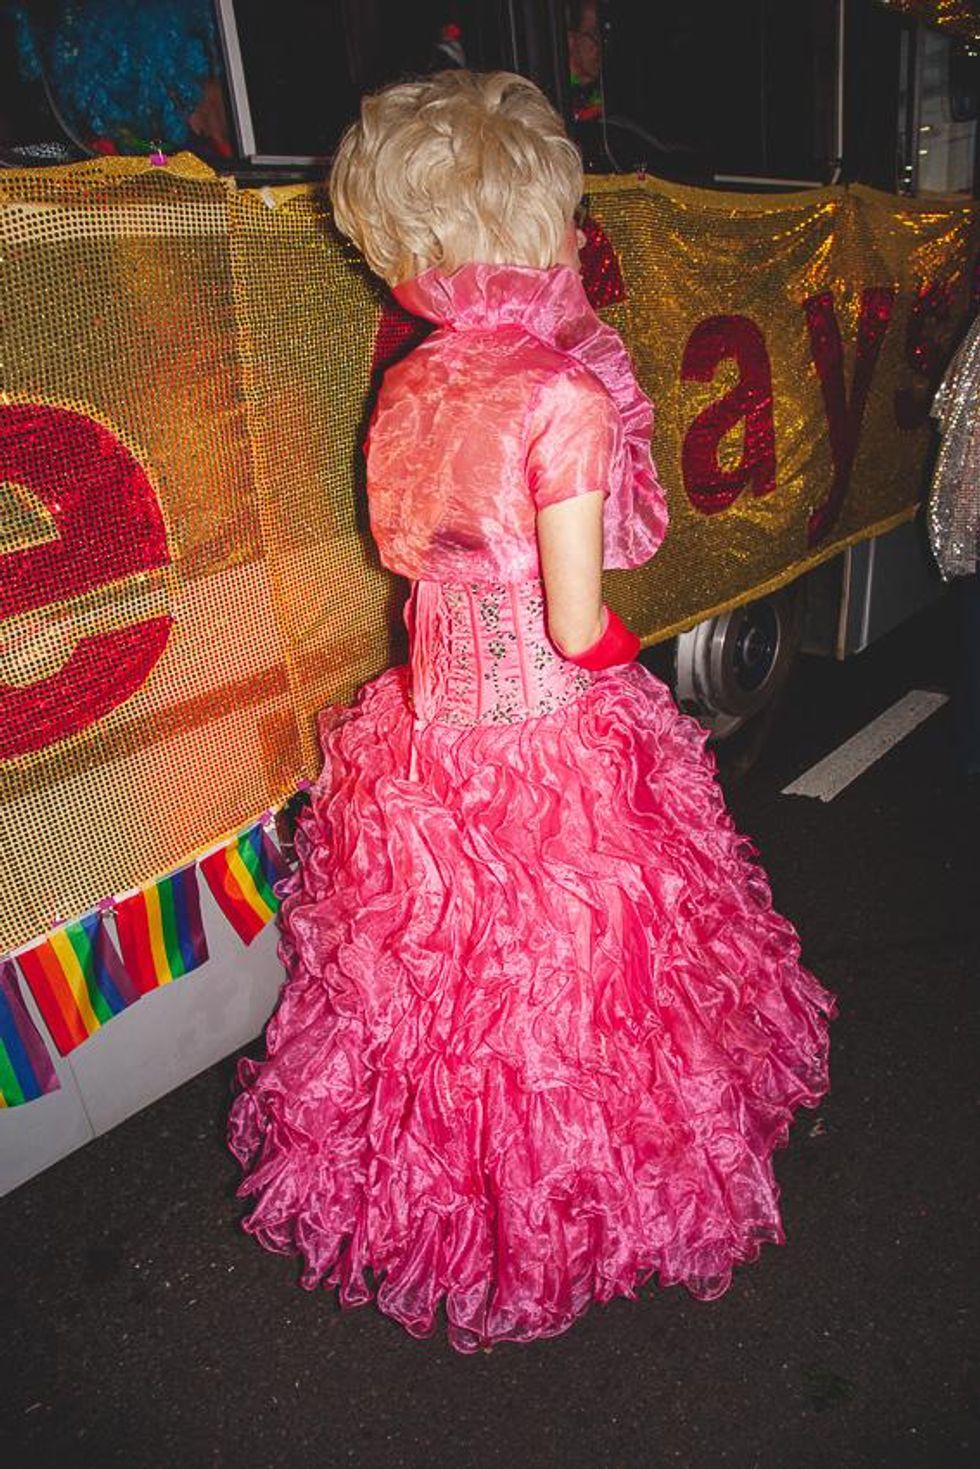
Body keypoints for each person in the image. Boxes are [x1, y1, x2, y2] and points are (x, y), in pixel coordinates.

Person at [228, 70, 835, 1354]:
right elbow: (573, 620)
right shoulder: (562, 394)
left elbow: (412, 558)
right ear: (528, 222)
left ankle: (462, 1210)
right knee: (585, 987)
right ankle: (575, 1207)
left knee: (440, 998)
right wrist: (624, 652)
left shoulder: (409, 382)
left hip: (424, 741)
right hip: (547, 738)